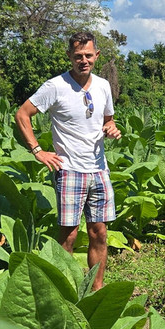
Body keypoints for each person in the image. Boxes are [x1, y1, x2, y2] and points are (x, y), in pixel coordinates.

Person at [15, 30, 121, 290]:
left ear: (97, 55)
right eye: (77, 56)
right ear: (69, 57)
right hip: (70, 169)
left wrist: (112, 128)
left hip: (99, 169)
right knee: (69, 234)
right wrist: (37, 150)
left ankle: (96, 289)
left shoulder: (103, 86)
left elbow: (108, 119)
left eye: (88, 55)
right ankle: (63, 289)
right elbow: (22, 115)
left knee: (100, 233)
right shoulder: (56, 86)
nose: (83, 60)